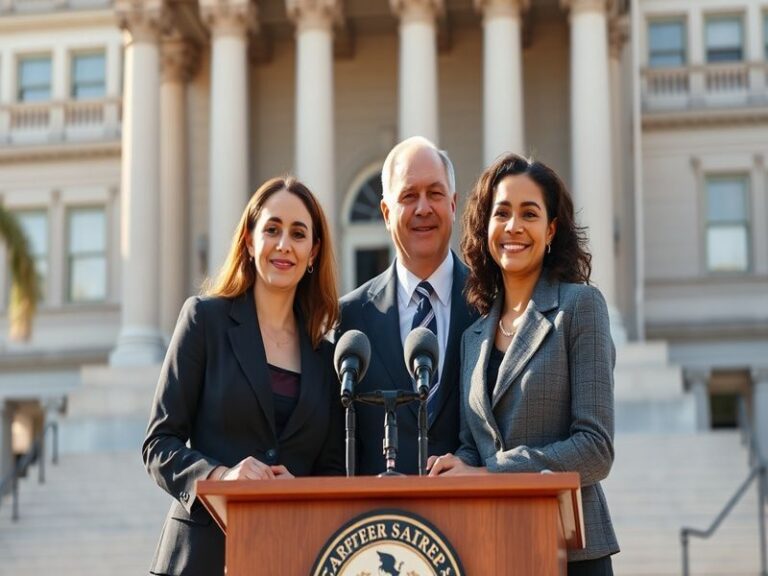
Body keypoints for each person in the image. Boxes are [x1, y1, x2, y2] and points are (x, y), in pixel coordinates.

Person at [142, 176, 344, 576]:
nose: (283, 244)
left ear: (313, 252)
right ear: (250, 241)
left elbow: (333, 470)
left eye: (298, 233)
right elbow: (158, 444)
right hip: (199, 556)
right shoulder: (203, 321)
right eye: (271, 229)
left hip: (290, 557)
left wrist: (302, 491)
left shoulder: (328, 358)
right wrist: (221, 476)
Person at [428, 153, 619, 574]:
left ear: (550, 230)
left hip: (571, 553)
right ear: (487, 228)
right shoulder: (472, 336)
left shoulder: (581, 307)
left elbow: (596, 449)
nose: (513, 227)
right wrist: (455, 468)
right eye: (502, 213)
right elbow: (472, 442)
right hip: (492, 546)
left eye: (528, 214)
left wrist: (492, 473)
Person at [336, 136, 476, 476]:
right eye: (409, 196)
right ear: (386, 212)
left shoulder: (490, 303)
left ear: (454, 205)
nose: (423, 208)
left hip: (474, 518)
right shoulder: (350, 318)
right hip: (382, 522)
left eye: (435, 194)